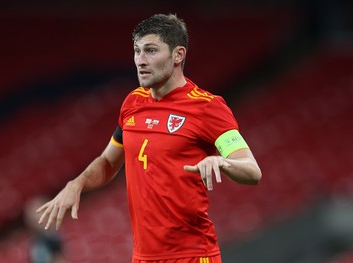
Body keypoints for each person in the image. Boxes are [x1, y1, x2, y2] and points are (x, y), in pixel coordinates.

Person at [37, 13, 262, 263]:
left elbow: (253, 171)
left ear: (178, 55)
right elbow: (109, 162)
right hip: (143, 258)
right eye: (137, 51)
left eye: (151, 51)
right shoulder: (133, 103)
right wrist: (77, 183)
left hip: (191, 255)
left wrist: (223, 163)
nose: (140, 61)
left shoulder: (208, 108)